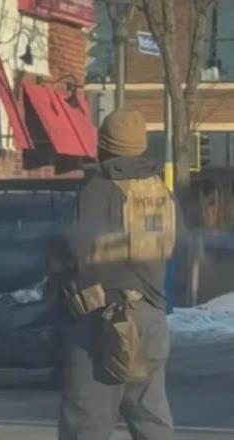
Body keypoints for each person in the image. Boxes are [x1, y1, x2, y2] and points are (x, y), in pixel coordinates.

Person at [56, 110, 181, 440]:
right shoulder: (161, 192)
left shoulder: (97, 190)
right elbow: (176, 244)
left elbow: (75, 252)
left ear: (104, 145)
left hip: (103, 321)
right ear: (141, 146)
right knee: (152, 421)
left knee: (86, 423)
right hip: (150, 316)